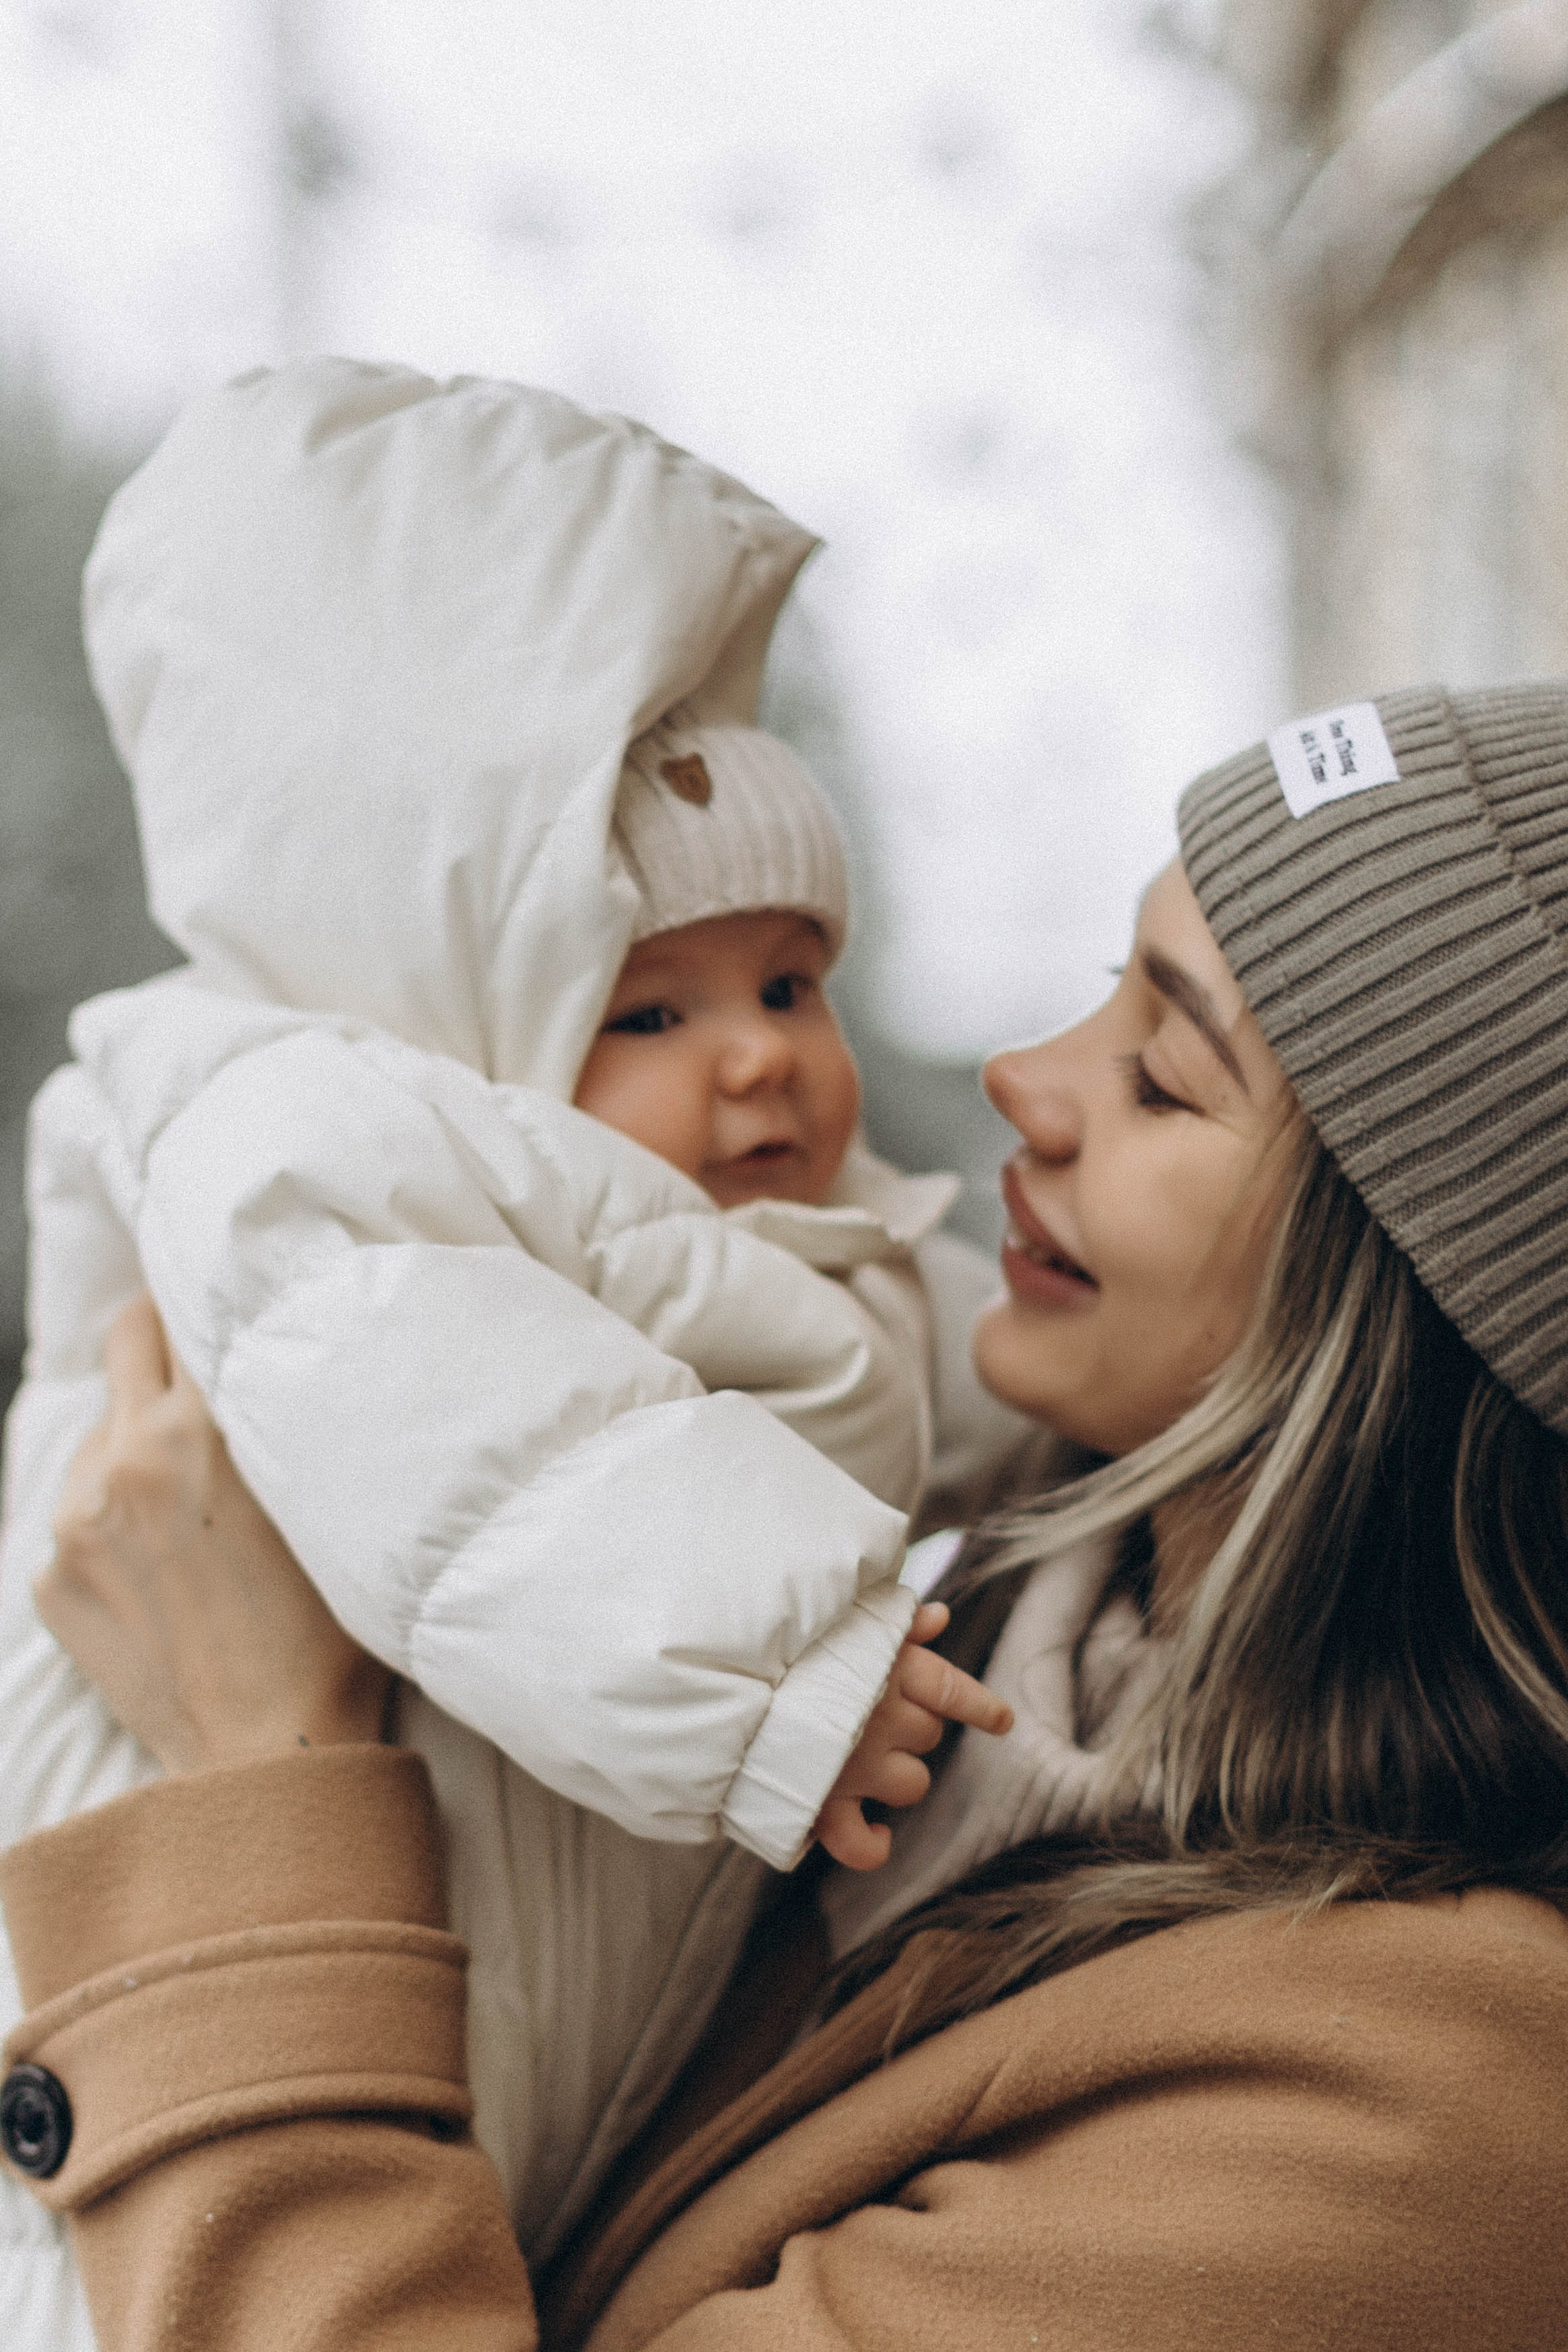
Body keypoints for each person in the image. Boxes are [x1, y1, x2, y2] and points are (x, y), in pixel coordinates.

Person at [7, 679, 1568, 2349]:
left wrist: (262, 1779)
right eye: (1094, 989)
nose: (1022, 1079)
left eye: (1164, 1079)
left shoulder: (1412, 2112)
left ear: (1410, 1326)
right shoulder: (944, 1602)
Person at [0, 361, 1030, 2320]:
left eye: (794, 981)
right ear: (457, 984)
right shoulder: (306, 1130)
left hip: (459, 2102)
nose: (762, 1056)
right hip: (173, 2022)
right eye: (652, 1012)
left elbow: (939, 1366)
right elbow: (450, 1406)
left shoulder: (769, 1239)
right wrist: (783, 1657)